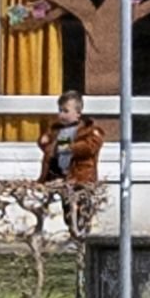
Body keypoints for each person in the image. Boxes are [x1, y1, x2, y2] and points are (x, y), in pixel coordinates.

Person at [36, 88, 105, 225]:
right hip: (62, 176)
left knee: (82, 209)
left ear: (78, 113)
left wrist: (71, 147)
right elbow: (49, 149)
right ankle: (72, 230)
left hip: (80, 177)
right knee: (68, 210)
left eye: (65, 111)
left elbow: (91, 146)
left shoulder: (88, 130)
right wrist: (43, 142)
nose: (61, 114)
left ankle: (82, 233)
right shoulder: (56, 130)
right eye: (59, 110)